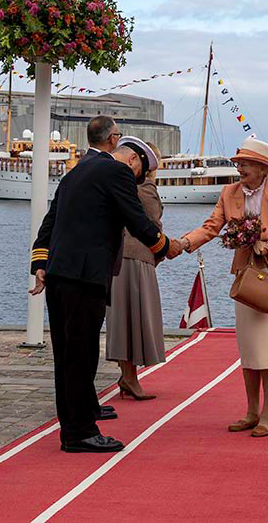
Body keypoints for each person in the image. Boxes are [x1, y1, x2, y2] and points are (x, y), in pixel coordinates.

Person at [29, 117, 178, 454]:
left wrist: (40, 264)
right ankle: (80, 432)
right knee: (81, 356)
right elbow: (135, 218)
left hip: (59, 274)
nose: (136, 178)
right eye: (140, 171)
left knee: (67, 355)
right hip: (85, 276)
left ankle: (75, 420)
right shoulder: (117, 172)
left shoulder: (75, 173)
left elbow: (49, 224)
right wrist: (164, 246)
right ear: (133, 159)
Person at [175, 137, 268, 438]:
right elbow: (212, 226)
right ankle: (250, 411)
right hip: (246, 277)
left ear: (263, 168)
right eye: (238, 163)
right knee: (250, 347)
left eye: (246, 164)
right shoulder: (228, 193)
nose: (240, 168)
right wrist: (184, 243)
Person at [106, 138, 166, 400]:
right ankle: (130, 378)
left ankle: (126, 375)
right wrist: (165, 248)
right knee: (135, 317)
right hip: (137, 256)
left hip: (117, 255)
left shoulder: (119, 184)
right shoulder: (146, 188)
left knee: (121, 317)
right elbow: (152, 223)